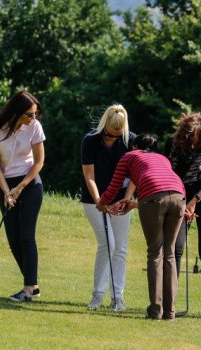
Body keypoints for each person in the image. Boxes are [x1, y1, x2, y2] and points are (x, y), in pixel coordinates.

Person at [97, 134, 186, 321]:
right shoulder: (162, 158)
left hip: (153, 198)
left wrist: (101, 203)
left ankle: (155, 310)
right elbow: (164, 191)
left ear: (134, 146)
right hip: (179, 196)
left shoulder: (129, 156)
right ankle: (169, 313)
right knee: (169, 254)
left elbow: (114, 187)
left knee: (155, 253)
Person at [0, 91, 46, 302]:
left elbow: (38, 162)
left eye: (35, 114)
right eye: (29, 114)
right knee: (13, 239)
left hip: (30, 183)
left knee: (26, 236)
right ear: (16, 113)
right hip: (5, 184)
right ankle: (32, 286)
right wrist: (7, 191)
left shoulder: (34, 127)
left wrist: (20, 187)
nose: (33, 118)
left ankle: (27, 290)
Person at [164, 112, 201, 319]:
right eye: (198, 140)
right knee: (176, 248)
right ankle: (169, 303)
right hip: (179, 196)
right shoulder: (172, 144)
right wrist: (183, 203)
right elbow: (169, 175)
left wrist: (194, 201)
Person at [80, 104, 136, 311]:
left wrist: (128, 199)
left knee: (120, 248)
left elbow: (135, 176)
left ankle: (117, 297)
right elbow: (89, 175)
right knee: (108, 243)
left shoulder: (131, 141)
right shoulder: (90, 141)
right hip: (94, 199)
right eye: (109, 135)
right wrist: (99, 201)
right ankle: (98, 294)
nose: (112, 138)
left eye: (116, 135)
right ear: (104, 126)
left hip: (122, 199)